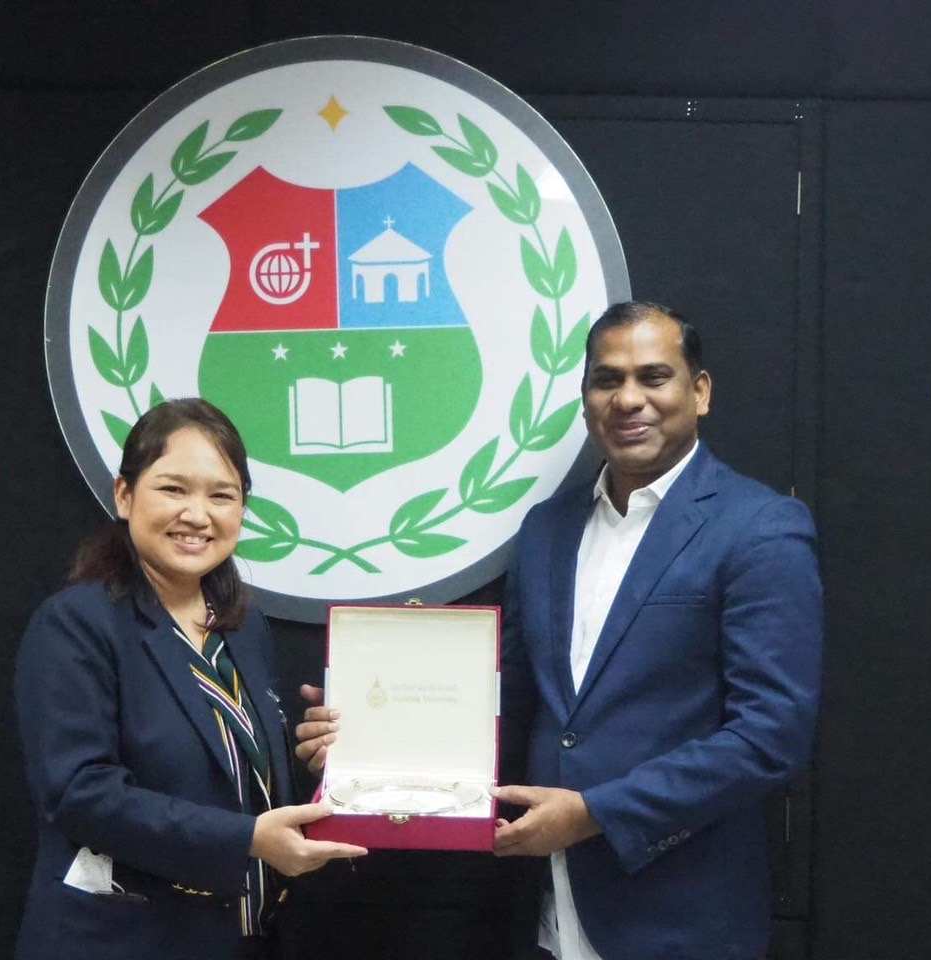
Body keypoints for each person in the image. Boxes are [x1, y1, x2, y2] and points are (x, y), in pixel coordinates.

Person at [299, 302, 822, 959]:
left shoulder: (758, 528)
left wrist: (596, 814)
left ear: (700, 391)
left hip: (678, 917)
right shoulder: (547, 529)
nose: (627, 399)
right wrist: (363, 741)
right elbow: (511, 701)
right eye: (606, 380)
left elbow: (771, 736)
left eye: (653, 377)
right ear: (584, 397)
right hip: (546, 909)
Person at [13, 398, 366, 960]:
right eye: (173, 489)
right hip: (125, 943)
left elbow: (236, 782)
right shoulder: (77, 624)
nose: (198, 515)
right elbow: (78, 793)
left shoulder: (243, 629)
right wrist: (247, 840)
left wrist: (321, 760)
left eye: (221, 496)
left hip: (247, 939)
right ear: (124, 495)